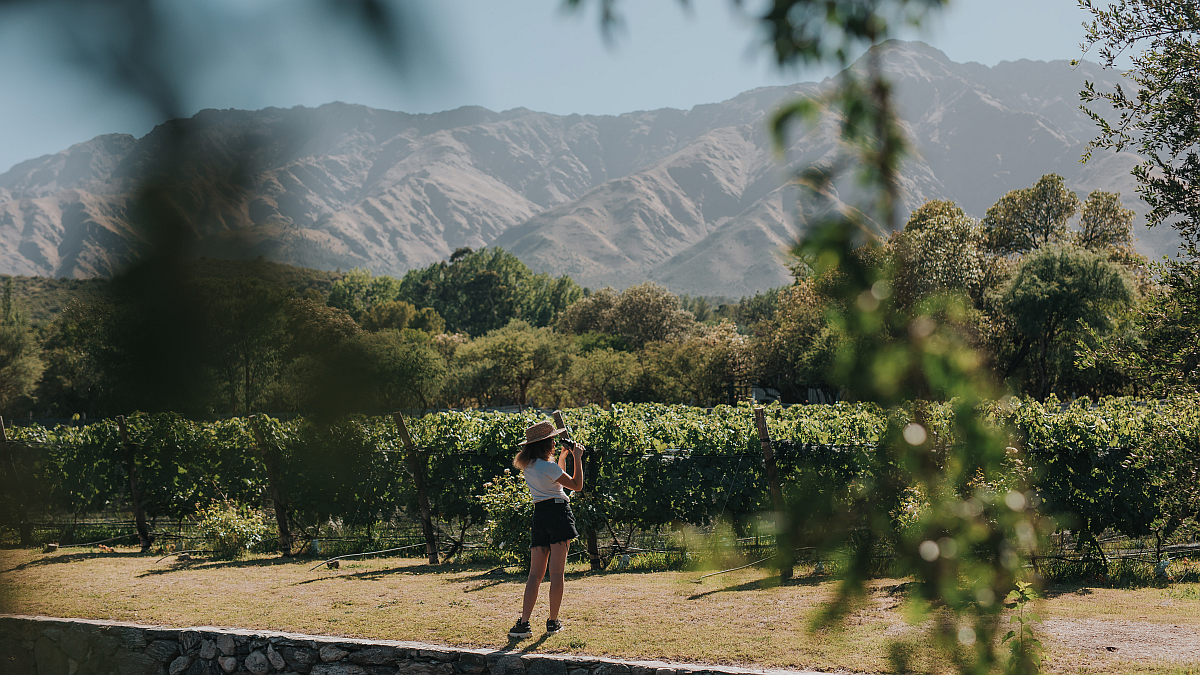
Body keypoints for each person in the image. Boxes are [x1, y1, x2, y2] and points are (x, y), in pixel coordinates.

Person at [508, 419, 585, 638]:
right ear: (544, 444)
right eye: (551, 440)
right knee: (557, 573)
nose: (554, 443)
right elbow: (576, 486)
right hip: (559, 515)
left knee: (535, 574)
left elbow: (555, 481)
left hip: (540, 515)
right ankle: (552, 621)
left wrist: (562, 458)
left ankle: (523, 624)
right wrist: (577, 459)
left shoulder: (530, 466)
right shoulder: (548, 467)